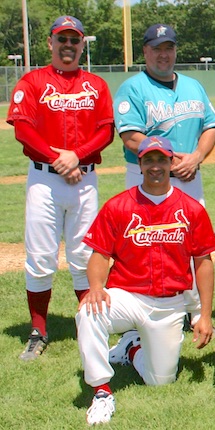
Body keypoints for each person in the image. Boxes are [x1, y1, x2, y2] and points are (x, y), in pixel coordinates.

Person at [76, 136, 215, 425]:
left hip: (170, 303)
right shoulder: (118, 206)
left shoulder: (191, 209)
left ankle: (132, 347)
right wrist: (96, 288)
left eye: (161, 160)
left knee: (160, 380)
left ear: (171, 163)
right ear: (139, 165)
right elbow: (99, 254)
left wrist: (204, 315)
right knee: (89, 311)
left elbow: (203, 263)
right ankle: (102, 391)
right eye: (149, 160)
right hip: (127, 295)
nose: (155, 166)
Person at [6, 15, 114, 361]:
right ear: (50, 42)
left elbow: (106, 130)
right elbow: (23, 129)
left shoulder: (95, 85)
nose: (68, 45)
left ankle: (88, 325)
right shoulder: (33, 81)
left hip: (84, 179)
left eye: (74, 39)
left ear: (81, 44)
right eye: (62, 39)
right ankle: (38, 330)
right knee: (41, 257)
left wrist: (77, 156)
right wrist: (59, 159)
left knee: (84, 255)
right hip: (45, 179)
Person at [113, 23, 215, 330]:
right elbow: (131, 137)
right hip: (146, 177)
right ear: (145, 51)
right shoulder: (133, 88)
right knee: (147, 243)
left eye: (169, 48)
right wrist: (170, 162)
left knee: (191, 244)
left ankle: (195, 312)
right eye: (157, 48)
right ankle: (145, 310)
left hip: (189, 175)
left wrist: (197, 157)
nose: (163, 54)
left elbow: (210, 126)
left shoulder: (193, 86)